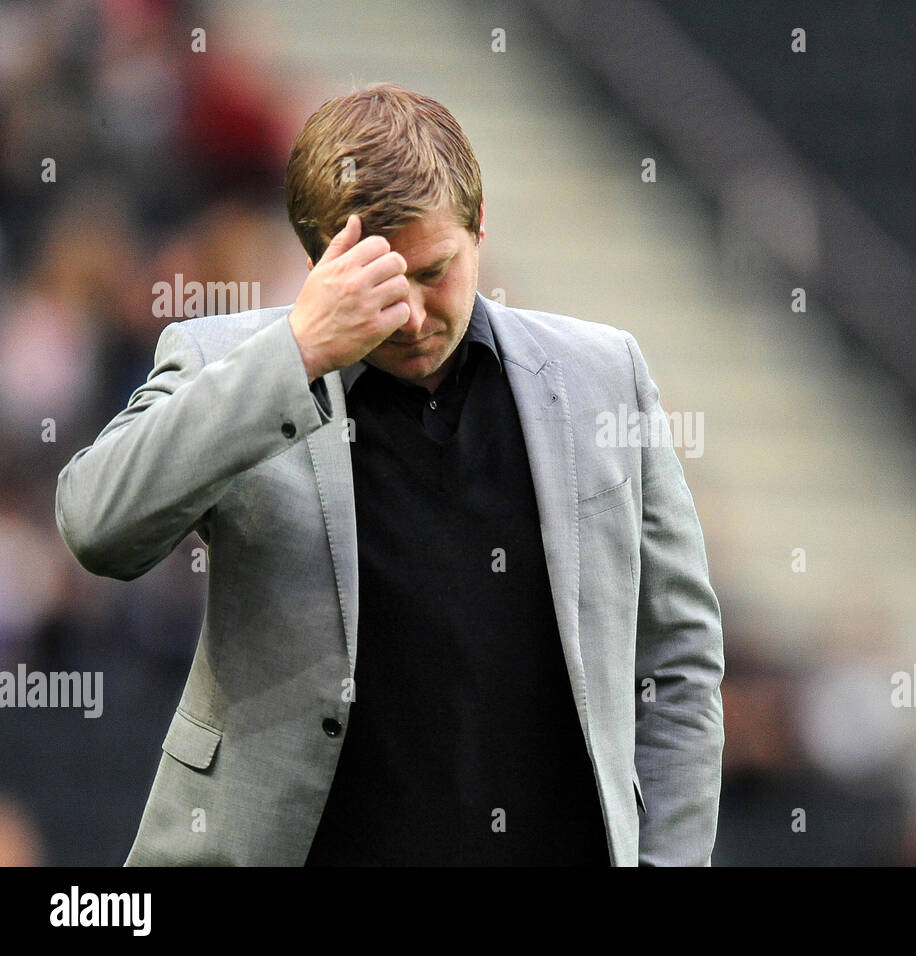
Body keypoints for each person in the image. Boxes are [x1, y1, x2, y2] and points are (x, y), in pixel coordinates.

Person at [54, 83, 725, 866]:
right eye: (380, 282)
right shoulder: (230, 364)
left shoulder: (604, 375)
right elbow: (95, 524)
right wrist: (297, 352)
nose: (410, 314)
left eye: (433, 270)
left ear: (480, 227)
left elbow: (677, 666)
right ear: (318, 263)